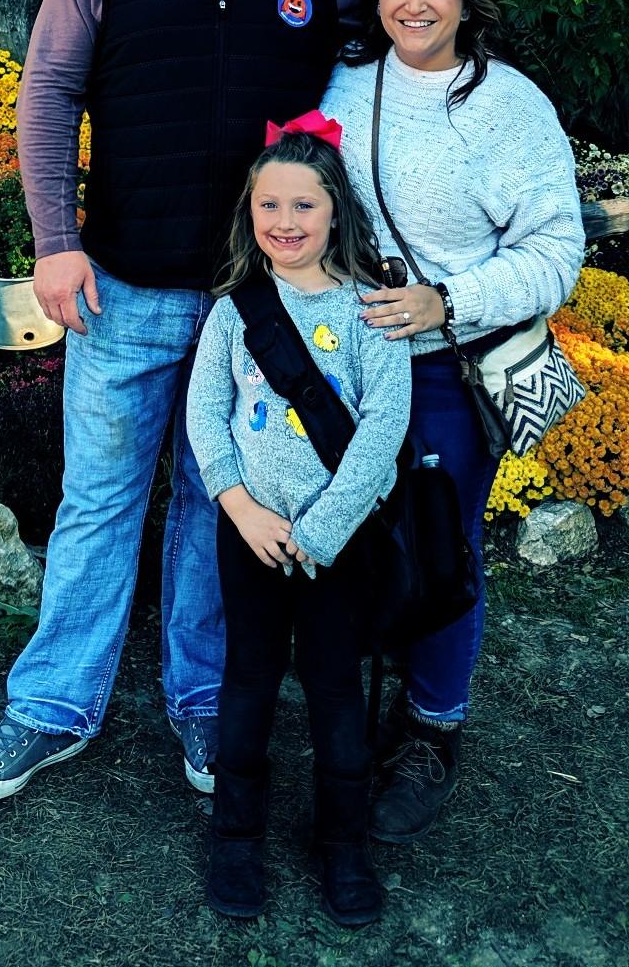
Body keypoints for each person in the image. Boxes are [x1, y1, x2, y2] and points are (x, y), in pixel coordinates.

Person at [0, 0, 367, 804]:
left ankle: (204, 700)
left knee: (213, 505)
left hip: (256, 300)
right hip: (124, 285)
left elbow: (381, 96)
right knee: (99, 500)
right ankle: (51, 706)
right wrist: (54, 241)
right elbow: (48, 90)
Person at [319, 0, 585, 842]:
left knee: (439, 546)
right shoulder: (346, 82)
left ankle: (433, 728)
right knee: (351, 537)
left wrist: (450, 300)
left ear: (467, 2)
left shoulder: (508, 108)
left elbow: (555, 251)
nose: (414, 4)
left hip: (444, 368)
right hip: (346, 362)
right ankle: (357, 699)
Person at [185, 119, 411, 926]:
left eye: (303, 205)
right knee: (246, 680)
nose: (285, 221)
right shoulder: (233, 310)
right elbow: (205, 413)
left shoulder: (369, 313)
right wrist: (237, 504)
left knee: (333, 687)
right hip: (250, 532)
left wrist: (322, 530)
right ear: (249, 211)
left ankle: (342, 843)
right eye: (269, 205)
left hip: (335, 543)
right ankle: (236, 835)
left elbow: (383, 430)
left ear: (334, 210)